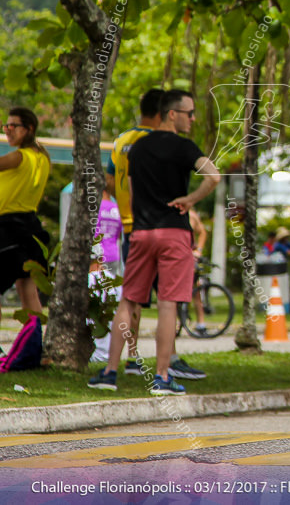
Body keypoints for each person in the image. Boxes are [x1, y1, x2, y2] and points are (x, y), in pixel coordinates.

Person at [89, 89, 220, 395]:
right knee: (167, 304)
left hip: (141, 233)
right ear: (171, 114)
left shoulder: (137, 149)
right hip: (174, 233)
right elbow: (213, 176)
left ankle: (109, 372)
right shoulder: (184, 147)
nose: (193, 118)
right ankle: (162, 377)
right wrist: (190, 199)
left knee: (128, 301)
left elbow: (132, 194)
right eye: (189, 113)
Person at [0, 108, 50, 326]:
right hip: (29, 226)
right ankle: (36, 345)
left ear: (29, 129)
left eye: (13, 126)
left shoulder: (19, 156)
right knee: (28, 290)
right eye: (6, 126)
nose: (8, 130)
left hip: (8, 227)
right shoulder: (42, 156)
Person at [90, 190, 123, 363]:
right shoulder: (116, 207)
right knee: (111, 295)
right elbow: (119, 235)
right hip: (113, 254)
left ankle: (98, 339)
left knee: (93, 290)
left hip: (95, 254)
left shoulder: (93, 206)